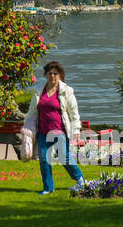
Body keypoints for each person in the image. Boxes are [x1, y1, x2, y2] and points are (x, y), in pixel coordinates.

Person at [24, 60, 87, 194]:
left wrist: (76, 130)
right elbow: (32, 112)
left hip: (60, 132)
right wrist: (27, 127)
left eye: (55, 74)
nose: (52, 76)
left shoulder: (66, 92)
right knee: (43, 159)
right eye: (50, 73)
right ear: (46, 75)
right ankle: (48, 188)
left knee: (64, 157)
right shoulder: (39, 92)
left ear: (60, 75)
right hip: (43, 132)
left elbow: (74, 113)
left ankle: (80, 179)